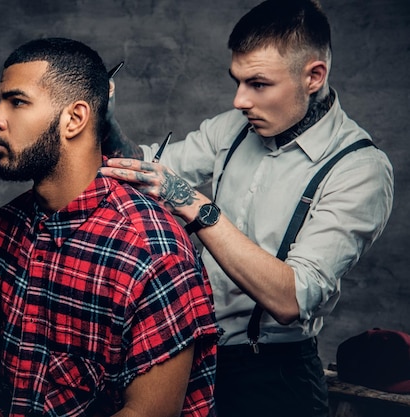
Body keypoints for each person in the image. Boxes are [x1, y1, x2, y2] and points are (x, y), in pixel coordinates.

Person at [100, 1, 394, 416]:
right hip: (193, 356)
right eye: (236, 81)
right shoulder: (232, 128)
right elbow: (146, 169)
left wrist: (191, 203)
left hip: (274, 378)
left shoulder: (360, 169)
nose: (239, 100)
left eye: (258, 84)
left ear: (314, 76)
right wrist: (104, 121)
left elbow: (293, 298)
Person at [0, 37, 220, 417]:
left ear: (74, 118)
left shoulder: (151, 249)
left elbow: (149, 412)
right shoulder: (5, 227)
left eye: (17, 101)